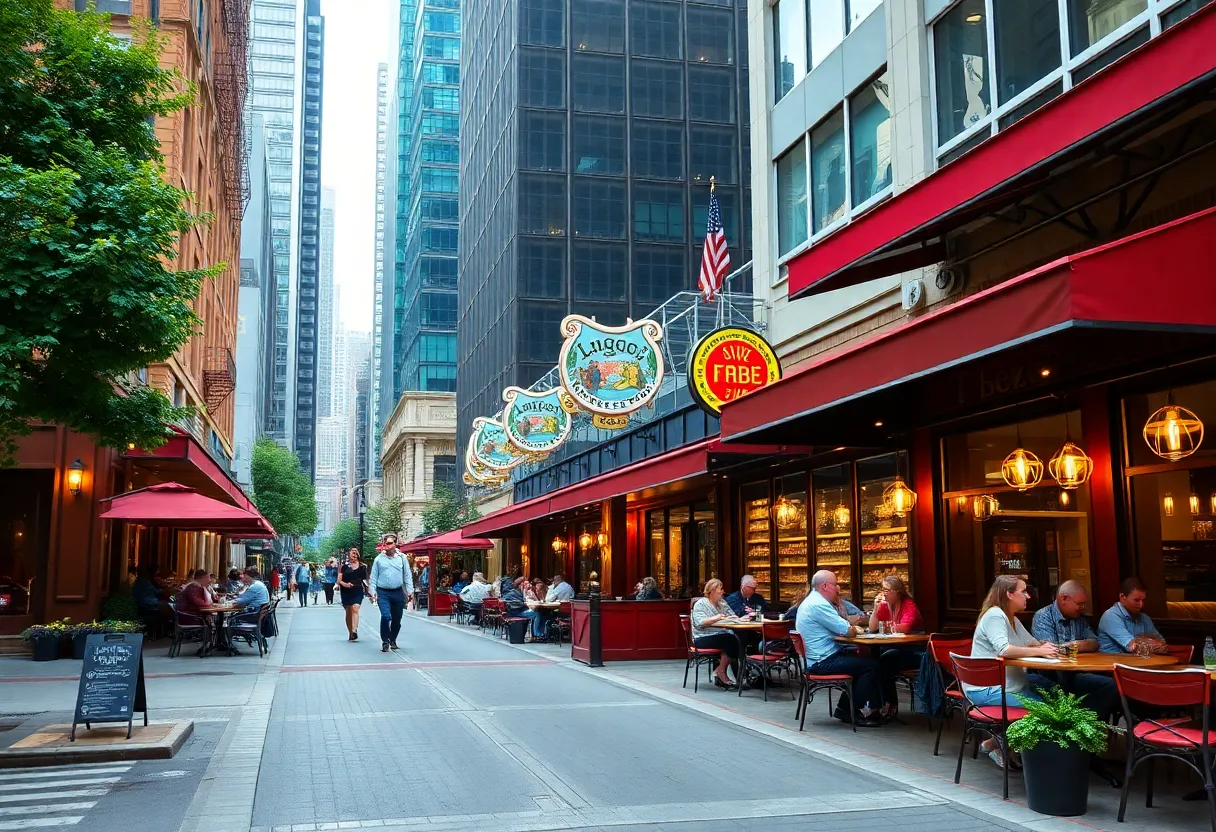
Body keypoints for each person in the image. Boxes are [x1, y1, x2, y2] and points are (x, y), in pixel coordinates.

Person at [969, 575, 1058, 768]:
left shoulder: (1012, 619)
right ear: (1009, 594)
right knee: (1048, 711)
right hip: (989, 689)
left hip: (1011, 685)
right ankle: (1031, 757)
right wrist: (1039, 651)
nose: (1028, 596)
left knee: (1056, 693)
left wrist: (1048, 646)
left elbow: (1031, 642)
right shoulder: (995, 615)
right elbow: (1004, 649)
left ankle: (995, 743)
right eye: (1023, 592)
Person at [795, 570, 883, 726]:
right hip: (821, 661)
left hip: (817, 658)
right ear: (825, 586)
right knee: (871, 666)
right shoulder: (819, 604)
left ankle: (860, 706)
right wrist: (856, 629)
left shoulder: (811, 601)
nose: (838, 588)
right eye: (835, 585)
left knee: (865, 662)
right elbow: (847, 630)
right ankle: (849, 710)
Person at [867, 575, 925, 718]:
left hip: (914, 651)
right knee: (875, 662)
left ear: (897, 591)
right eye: (883, 589)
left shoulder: (909, 605)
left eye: (887, 590)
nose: (884, 593)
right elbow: (872, 627)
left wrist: (886, 628)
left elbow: (905, 627)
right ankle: (881, 704)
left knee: (883, 662)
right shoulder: (884, 605)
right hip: (895, 649)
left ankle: (889, 703)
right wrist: (875, 609)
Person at [690, 579, 744, 689]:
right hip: (703, 637)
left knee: (736, 639)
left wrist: (738, 619)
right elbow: (700, 623)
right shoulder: (701, 604)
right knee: (731, 640)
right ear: (712, 591)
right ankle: (721, 671)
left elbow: (732, 616)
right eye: (720, 589)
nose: (723, 592)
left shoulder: (722, 603)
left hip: (721, 634)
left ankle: (733, 674)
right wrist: (717, 617)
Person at [1098, 576, 1167, 655]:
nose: (1141, 605)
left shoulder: (1144, 617)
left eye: (1143, 600)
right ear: (1122, 597)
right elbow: (1133, 647)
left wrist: (1141, 642)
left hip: (1138, 662)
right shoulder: (1110, 616)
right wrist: (1146, 640)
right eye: (1136, 600)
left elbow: (1163, 645)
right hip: (1112, 664)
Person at [369, 533, 414, 652]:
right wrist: (372, 591)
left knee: (397, 619)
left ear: (395, 544)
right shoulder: (378, 559)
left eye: (389, 543)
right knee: (385, 616)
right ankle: (385, 641)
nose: (386, 546)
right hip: (383, 592)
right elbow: (373, 577)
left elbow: (407, 575)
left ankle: (393, 638)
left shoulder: (402, 558)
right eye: (385, 543)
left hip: (397, 592)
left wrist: (410, 591)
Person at [338, 548, 369, 641]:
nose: (354, 555)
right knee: (348, 611)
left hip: (357, 589)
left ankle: (355, 630)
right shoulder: (344, 566)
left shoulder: (363, 566)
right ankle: (350, 632)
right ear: (349, 554)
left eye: (356, 553)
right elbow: (339, 580)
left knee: (355, 608)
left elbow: (365, 580)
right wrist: (345, 584)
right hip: (346, 591)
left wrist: (369, 588)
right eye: (353, 553)